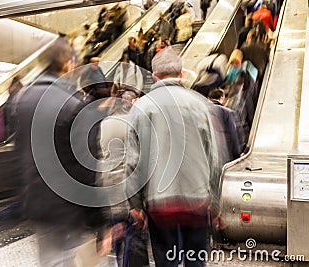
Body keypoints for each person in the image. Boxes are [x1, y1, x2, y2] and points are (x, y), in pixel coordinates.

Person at [125, 46, 221, 267]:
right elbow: (213, 157)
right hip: (196, 201)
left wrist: (136, 204)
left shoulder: (141, 108)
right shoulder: (200, 104)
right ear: (181, 74)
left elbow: (132, 163)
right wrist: (214, 201)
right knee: (195, 261)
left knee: (165, 261)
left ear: (154, 76)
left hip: (160, 204)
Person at [15, 38, 105, 266]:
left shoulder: (24, 99)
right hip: (66, 206)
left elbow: (18, 151)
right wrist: (98, 220)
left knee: (49, 259)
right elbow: (85, 164)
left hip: (35, 201)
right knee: (67, 258)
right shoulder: (72, 103)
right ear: (67, 63)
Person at [98, 86, 149, 267]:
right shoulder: (134, 123)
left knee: (118, 234)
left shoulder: (106, 122)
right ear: (133, 102)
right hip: (129, 188)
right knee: (132, 234)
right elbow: (139, 160)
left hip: (109, 186)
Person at [208, 88, 241, 161]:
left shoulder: (201, 110)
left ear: (209, 98)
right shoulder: (226, 112)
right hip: (223, 151)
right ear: (221, 98)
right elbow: (233, 134)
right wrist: (237, 154)